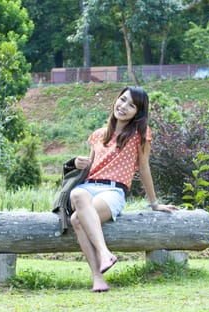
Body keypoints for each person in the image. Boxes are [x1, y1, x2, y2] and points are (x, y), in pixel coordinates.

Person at [69, 86, 177, 292]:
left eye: (131, 105)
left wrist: (154, 203)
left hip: (113, 191)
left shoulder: (140, 134)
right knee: (77, 193)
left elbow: (144, 168)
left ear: (138, 112)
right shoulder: (97, 135)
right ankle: (104, 255)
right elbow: (90, 168)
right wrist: (76, 162)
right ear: (116, 99)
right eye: (123, 100)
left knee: (77, 220)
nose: (124, 106)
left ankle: (98, 274)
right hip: (88, 187)